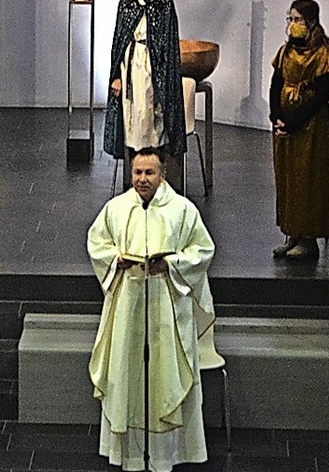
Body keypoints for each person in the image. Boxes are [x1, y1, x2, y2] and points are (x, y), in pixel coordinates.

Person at [87, 149, 215, 471]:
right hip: (128, 309)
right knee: (127, 377)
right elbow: (96, 243)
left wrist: (170, 264)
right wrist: (116, 259)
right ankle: (130, 457)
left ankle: (163, 457)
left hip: (166, 310)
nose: (142, 180)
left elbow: (203, 250)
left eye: (149, 173)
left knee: (164, 379)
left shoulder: (182, 210)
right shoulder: (116, 209)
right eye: (137, 173)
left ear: (163, 174)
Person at [104, 0, 186, 181]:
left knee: (155, 117)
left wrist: (166, 79)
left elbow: (169, 45)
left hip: (156, 68)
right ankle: (135, 174)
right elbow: (118, 42)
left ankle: (156, 172)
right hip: (132, 66)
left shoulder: (165, 4)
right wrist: (116, 77)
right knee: (134, 116)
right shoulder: (127, 4)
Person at [269, 0, 329, 260]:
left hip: (311, 127)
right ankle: (292, 232)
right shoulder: (286, 51)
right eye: (291, 19)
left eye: (298, 20)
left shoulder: (322, 53)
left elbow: (322, 95)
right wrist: (277, 116)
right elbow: (276, 83)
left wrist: (296, 122)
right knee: (288, 178)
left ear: (310, 22)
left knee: (308, 179)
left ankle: (308, 239)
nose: (293, 24)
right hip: (287, 126)